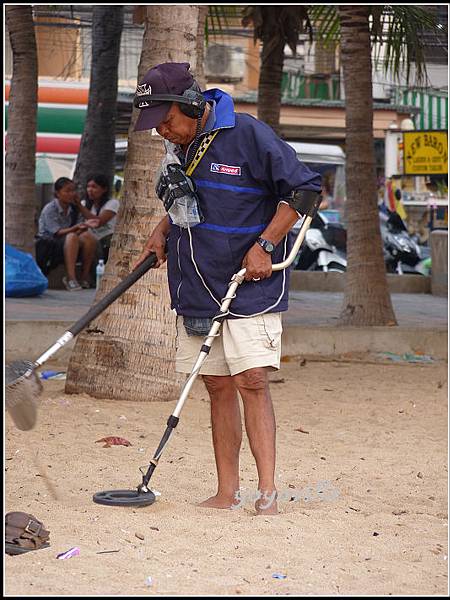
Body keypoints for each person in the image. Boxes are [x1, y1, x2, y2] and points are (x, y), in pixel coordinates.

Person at [132, 62, 321, 515]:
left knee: (251, 380)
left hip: (247, 281)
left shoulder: (248, 134)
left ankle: (268, 492)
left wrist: (265, 244)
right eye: (154, 126)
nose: (162, 132)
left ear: (192, 106)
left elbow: (304, 191)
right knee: (217, 385)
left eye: (166, 121)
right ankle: (226, 491)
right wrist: (162, 230)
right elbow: (188, 200)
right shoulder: (180, 146)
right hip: (196, 279)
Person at [35, 177, 98, 291]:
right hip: (50, 243)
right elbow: (57, 232)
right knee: (72, 236)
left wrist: (83, 225)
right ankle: (71, 278)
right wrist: (76, 228)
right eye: (67, 191)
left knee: (88, 237)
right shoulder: (50, 208)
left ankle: (84, 277)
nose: (72, 194)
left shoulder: (74, 208)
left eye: (73, 190)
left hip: (69, 241)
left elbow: (81, 227)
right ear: (57, 194)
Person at [73, 173, 120, 264]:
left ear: (104, 189)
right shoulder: (85, 204)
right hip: (88, 238)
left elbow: (98, 222)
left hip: (105, 241)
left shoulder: (113, 203)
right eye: (88, 186)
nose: (90, 190)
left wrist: (79, 205)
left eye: (94, 187)